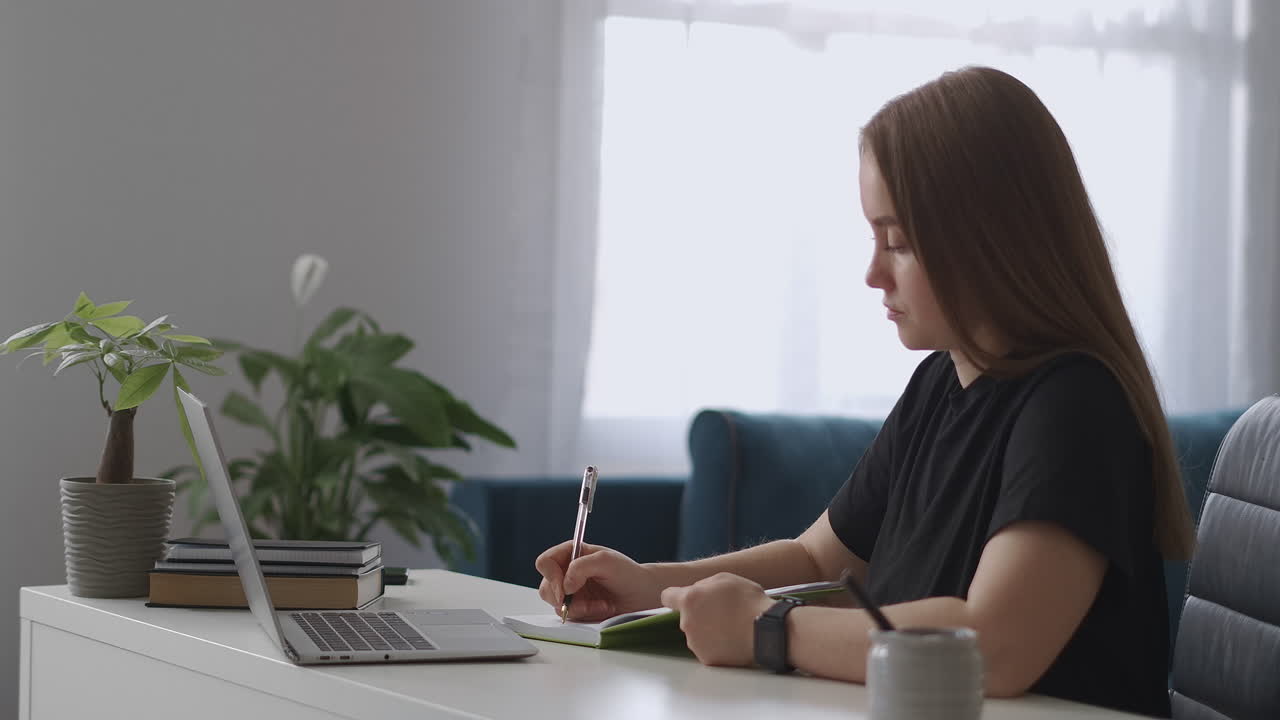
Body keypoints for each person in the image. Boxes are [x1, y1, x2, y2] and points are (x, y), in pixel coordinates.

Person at [535, 66, 1189, 719]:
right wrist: (649, 588)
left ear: (991, 240)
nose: (873, 272)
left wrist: (767, 628)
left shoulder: (1076, 406)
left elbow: (994, 645)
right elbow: (820, 558)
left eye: (897, 242)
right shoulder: (940, 383)